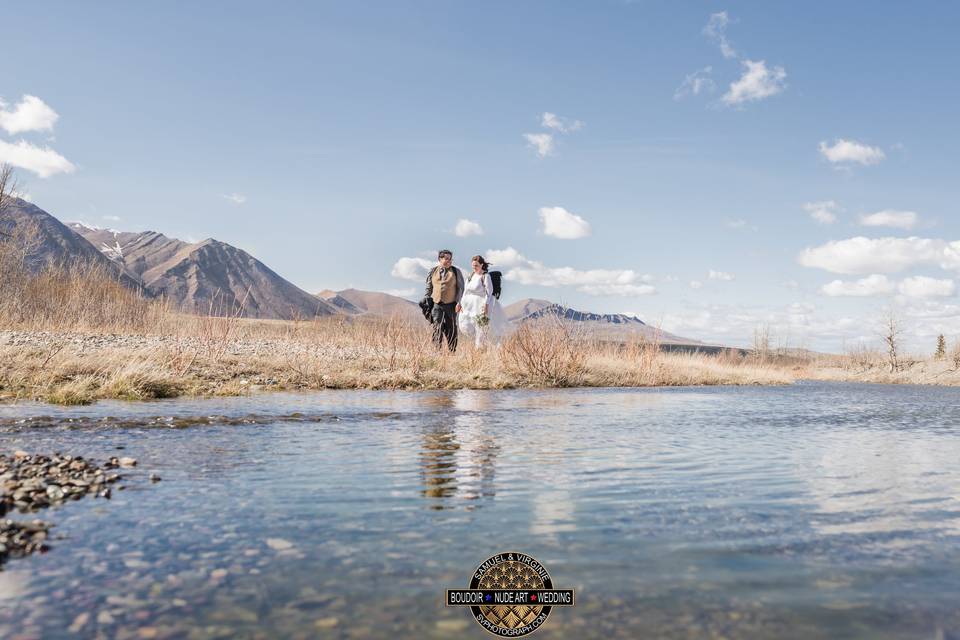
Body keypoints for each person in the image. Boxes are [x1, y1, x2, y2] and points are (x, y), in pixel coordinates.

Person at [458, 255, 508, 348]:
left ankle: (480, 349)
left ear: (481, 265)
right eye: (473, 265)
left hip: (480, 304)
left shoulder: (485, 276)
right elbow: (465, 291)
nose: (474, 267)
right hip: (468, 305)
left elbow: (489, 292)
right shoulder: (470, 276)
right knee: (465, 325)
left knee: (481, 327)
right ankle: (479, 343)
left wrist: (486, 305)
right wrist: (460, 303)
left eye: (476, 265)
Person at [424, 249, 464, 352]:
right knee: (437, 326)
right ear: (439, 259)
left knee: (451, 328)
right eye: (446, 258)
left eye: (450, 259)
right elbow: (429, 287)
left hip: (451, 304)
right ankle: (437, 351)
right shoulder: (432, 271)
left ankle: (452, 350)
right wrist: (426, 299)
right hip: (436, 304)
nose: (449, 261)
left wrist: (459, 302)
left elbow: (461, 288)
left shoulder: (456, 271)